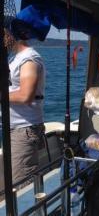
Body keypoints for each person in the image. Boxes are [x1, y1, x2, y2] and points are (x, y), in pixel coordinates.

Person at [2, 26, 46, 184]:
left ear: (9, 34)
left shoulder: (29, 58)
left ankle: (31, 209)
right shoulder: (15, 58)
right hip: (16, 129)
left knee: (23, 183)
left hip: (24, 130)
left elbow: (25, 95)